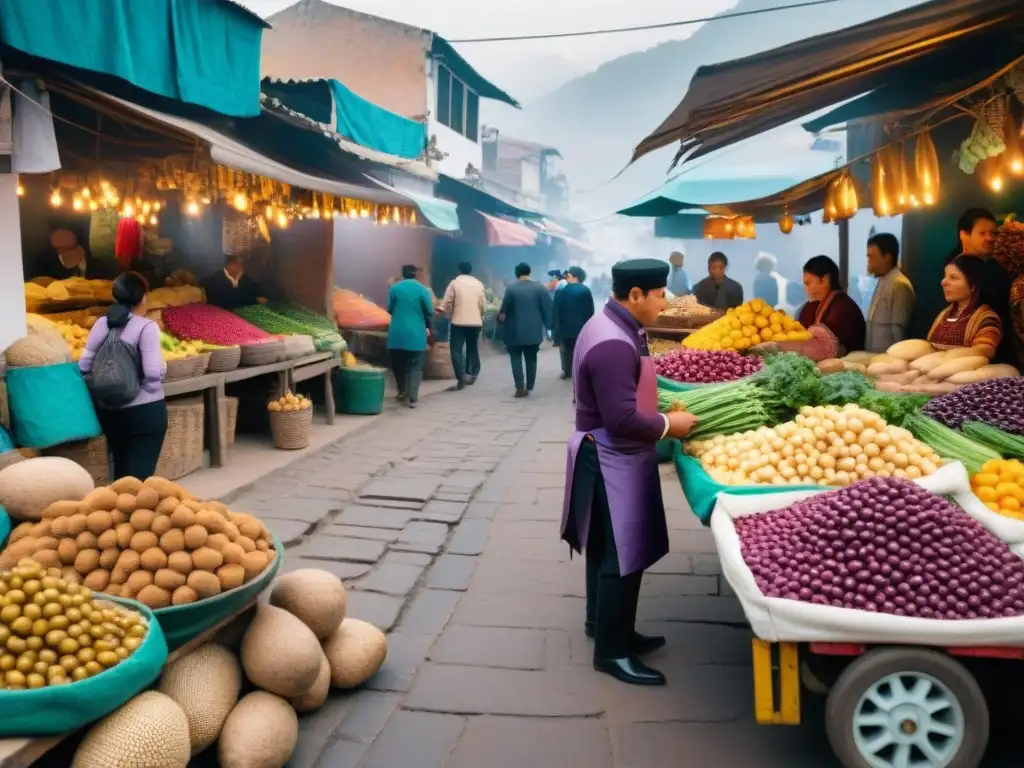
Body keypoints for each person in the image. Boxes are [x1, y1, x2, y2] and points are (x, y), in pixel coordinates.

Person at [561, 258, 698, 686]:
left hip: (608, 452)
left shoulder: (613, 325)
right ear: (635, 295)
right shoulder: (612, 343)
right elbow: (620, 419)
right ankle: (612, 652)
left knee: (605, 548)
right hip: (609, 454)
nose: (666, 304)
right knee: (621, 556)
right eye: (660, 296)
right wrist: (667, 426)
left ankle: (605, 626)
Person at [78, 272, 167, 480]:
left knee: (120, 475)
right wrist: (160, 371)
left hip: (109, 413)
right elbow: (153, 373)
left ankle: (118, 510)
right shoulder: (146, 327)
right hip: (144, 413)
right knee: (139, 479)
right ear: (143, 297)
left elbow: (83, 365)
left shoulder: (102, 323)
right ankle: (134, 511)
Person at [946, 208, 1011, 361]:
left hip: (998, 350)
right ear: (964, 235)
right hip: (962, 352)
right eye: (982, 233)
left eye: (994, 233)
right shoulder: (952, 265)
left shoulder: (1000, 267)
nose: (990, 238)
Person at [927, 255, 1003, 358]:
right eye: (945, 276)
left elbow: (982, 353)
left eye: (953, 277)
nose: (943, 282)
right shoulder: (943, 315)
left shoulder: (987, 319)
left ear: (973, 285)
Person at [498, 263, 552, 398]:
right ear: (529, 272)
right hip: (533, 331)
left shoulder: (510, 289)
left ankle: (520, 387)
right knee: (531, 358)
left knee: (515, 359)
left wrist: (499, 321)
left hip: (514, 331)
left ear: (516, 274)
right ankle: (530, 385)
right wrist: (549, 329)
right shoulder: (539, 288)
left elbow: (503, 312)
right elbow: (547, 309)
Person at [387, 265, 434, 408]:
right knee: (415, 366)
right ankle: (412, 397)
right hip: (416, 334)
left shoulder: (394, 288)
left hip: (397, 333)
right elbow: (430, 311)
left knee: (398, 365)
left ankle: (402, 391)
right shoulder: (422, 289)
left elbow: (389, 308)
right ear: (415, 275)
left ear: (403, 274)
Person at [799, 255, 866, 355]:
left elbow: (827, 346)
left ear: (825, 281)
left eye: (808, 283)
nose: (806, 289)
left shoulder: (843, 308)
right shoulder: (812, 305)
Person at [864, 233, 916, 353]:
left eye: (871, 257)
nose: (868, 262)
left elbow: (898, 331)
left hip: (889, 361)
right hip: (873, 357)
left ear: (887, 257)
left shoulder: (899, 285)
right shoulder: (882, 280)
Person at [441, 261, 486, 389]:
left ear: (459, 270)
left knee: (456, 350)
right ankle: (473, 372)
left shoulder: (454, 283)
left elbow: (447, 302)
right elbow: (483, 304)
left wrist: (446, 311)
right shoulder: (478, 284)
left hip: (458, 322)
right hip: (475, 322)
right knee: (472, 347)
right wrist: (479, 315)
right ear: (471, 270)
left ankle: (461, 376)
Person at [552, 266, 595, 379]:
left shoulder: (561, 291)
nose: (567, 278)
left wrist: (555, 328)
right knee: (580, 349)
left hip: (564, 327)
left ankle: (567, 371)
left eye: (569, 276)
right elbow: (590, 311)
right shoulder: (585, 291)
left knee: (565, 350)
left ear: (575, 277)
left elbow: (556, 311)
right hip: (581, 327)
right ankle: (580, 370)